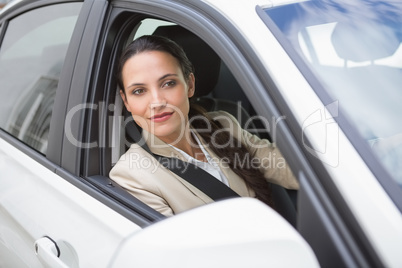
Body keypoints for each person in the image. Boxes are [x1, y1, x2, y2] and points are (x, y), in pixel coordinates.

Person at [110, 35, 299, 217]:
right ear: (126, 101)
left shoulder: (223, 126)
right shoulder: (131, 175)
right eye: (139, 91)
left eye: (168, 83)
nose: (157, 102)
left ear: (190, 85)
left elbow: (290, 169)